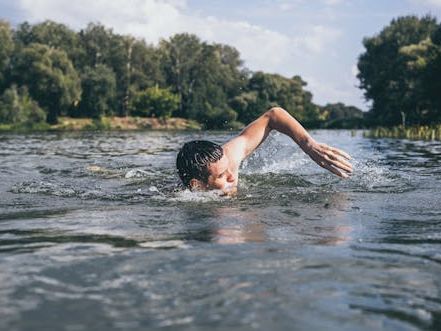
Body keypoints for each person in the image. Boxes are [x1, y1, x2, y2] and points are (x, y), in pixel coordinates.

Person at [176, 107, 353, 194]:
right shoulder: (181, 198)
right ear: (197, 185)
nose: (232, 175)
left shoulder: (228, 157)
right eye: (221, 175)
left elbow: (273, 115)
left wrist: (309, 145)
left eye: (228, 167)